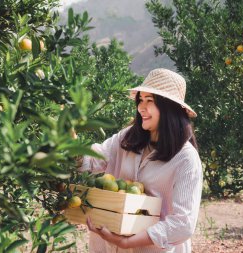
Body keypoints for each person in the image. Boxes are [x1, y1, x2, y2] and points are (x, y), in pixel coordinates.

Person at [80, 68, 203, 253]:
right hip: (108, 246)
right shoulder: (128, 138)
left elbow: (183, 223)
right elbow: (94, 160)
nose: (141, 107)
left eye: (149, 101)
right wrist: (71, 150)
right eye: (140, 100)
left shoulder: (185, 158)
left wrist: (127, 242)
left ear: (168, 107)